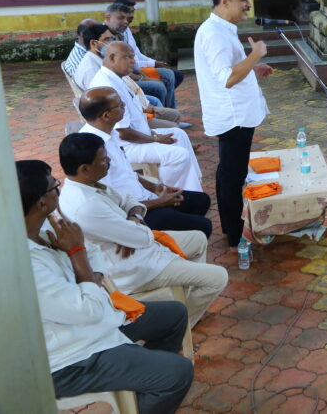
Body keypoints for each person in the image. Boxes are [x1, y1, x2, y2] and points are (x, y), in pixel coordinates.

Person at [17, 160, 194, 413]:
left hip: (94, 320)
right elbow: (88, 308)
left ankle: (142, 384)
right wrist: (77, 256)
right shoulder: (24, 265)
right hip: (69, 358)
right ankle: (152, 379)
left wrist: (89, 273)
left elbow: (93, 251)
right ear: (41, 202)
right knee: (178, 373)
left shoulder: (46, 224)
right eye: (54, 186)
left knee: (174, 314)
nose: (60, 189)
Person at [56, 133, 228, 327]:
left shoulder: (89, 184)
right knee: (218, 277)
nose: (109, 162)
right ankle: (181, 324)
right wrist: (133, 227)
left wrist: (133, 219)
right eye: (103, 160)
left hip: (138, 248)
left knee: (198, 238)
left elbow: (130, 201)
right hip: (133, 267)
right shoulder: (86, 206)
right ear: (85, 169)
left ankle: (188, 306)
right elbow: (142, 237)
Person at [193, 0, 273, 248]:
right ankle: (235, 234)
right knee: (232, 175)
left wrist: (252, 68)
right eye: (243, 0)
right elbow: (227, 78)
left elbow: (227, 68)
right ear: (224, 1)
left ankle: (232, 227)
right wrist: (255, 55)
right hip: (233, 115)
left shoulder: (221, 28)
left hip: (236, 113)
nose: (248, 4)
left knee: (229, 171)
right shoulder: (214, 33)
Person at [78, 87, 213, 237]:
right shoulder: (92, 150)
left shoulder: (110, 132)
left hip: (144, 197)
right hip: (133, 211)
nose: (124, 105)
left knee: (201, 200)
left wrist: (156, 187)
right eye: (119, 105)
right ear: (106, 115)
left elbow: (128, 173)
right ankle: (169, 242)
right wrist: (158, 203)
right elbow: (112, 203)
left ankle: (175, 241)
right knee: (203, 226)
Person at [89, 43, 202, 193]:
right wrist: (155, 139)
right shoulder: (108, 85)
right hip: (125, 146)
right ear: (112, 57)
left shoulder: (119, 78)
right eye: (128, 57)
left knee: (179, 134)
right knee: (178, 155)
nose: (133, 61)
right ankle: (170, 193)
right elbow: (122, 132)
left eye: (133, 57)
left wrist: (153, 134)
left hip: (138, 136)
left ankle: (193, 188)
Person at [106, 0, 184, 109]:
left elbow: (136, 54)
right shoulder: (106, 37)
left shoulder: (124, 30)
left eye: (131, 13)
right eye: (122, 17)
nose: (128, 18)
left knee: (170, 75)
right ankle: (162, 113)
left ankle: (169, 111)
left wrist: (153, 63)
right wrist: (145, 74)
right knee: (161, 85)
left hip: (134, 70)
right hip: (127, 78)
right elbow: (124, 69)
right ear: (108, 18)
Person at [72, 23, 117, 90]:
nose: (112, 43)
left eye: (112, 38)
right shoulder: (92, 70)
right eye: (107, 39)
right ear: (93, 43)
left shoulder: (98, 60)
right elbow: (102, 94)